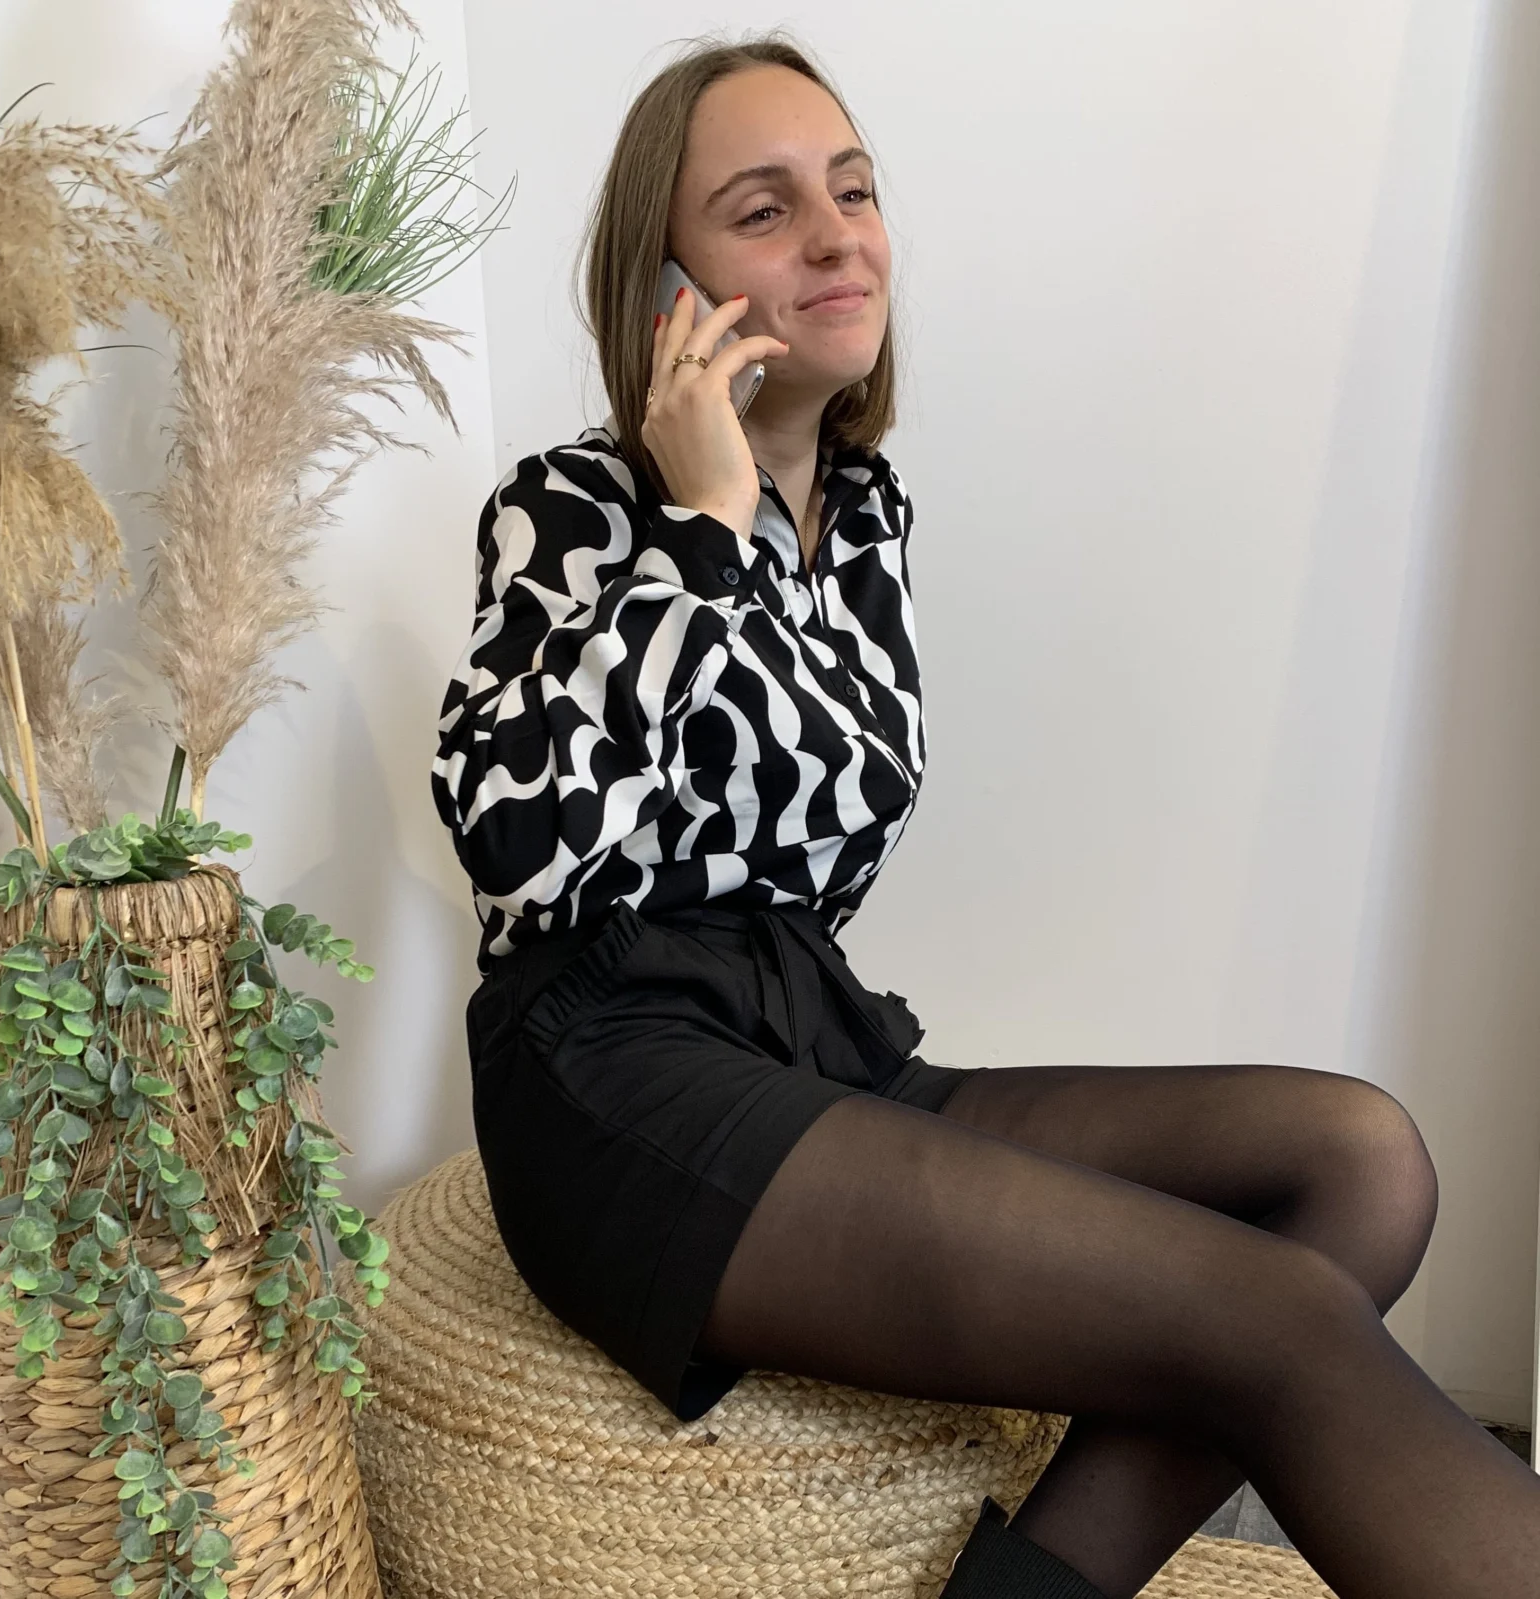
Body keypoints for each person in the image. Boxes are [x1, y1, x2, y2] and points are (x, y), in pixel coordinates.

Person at [430, 30, 1540, 1599]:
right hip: (612, 1066)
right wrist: (705, 528)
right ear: (665, 289)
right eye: (764, 209)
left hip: (810, 1039)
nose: (838, 237)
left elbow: (817, 852)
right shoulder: (570, 507)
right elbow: (525, 852)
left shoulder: (864, 519)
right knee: (1278, 1319)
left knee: (1360, 1163)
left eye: (855, 190)